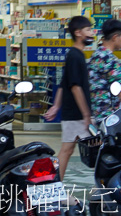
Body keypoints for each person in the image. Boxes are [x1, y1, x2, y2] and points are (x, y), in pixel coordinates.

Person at [43, 15, 93, 179]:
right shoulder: (75, 56)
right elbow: (74, 86)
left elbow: (64, 84)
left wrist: (56, 106)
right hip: (76, 114)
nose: (92, 33)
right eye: (88, 30)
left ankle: (51, 184)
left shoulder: (75, 55)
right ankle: (51, 184)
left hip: (73, 113)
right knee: (71, 150)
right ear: (78, 33)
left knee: (68, 149)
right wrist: (86, 114)